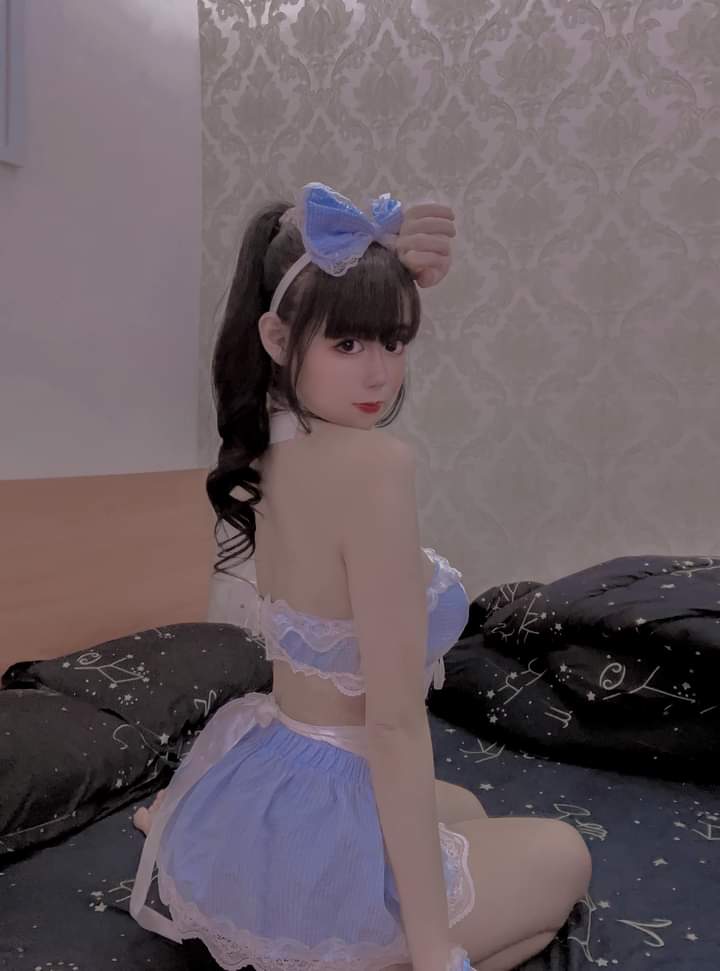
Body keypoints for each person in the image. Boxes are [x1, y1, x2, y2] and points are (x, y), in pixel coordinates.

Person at [129, 183, 592, 971]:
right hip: (335, 786)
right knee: (565, 854)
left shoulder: (271, 450)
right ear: (278, 338)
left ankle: (258, 882)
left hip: (273, 779)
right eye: (347, 344)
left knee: (467, 806)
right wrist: (437, 949)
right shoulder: (375, 464)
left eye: (394, 340)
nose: (379, 373)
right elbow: (395, 726)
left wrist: (378, 271)